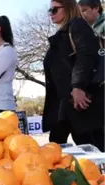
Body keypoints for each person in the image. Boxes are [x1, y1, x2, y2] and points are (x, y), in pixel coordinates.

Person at [43, 0, 105, 151]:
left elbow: (85, 56)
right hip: (65, 104)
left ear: (68, 8)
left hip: (81, 102)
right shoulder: (62, 34)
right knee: (55, 150)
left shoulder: (77, 25)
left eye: (54, 10)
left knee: (95, 147)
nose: (51, 14)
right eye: (49, 11)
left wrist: (78, 86)